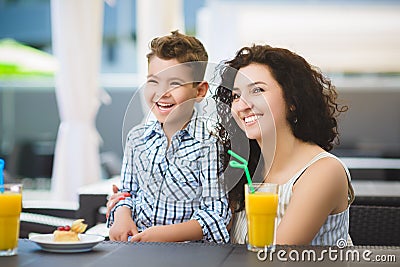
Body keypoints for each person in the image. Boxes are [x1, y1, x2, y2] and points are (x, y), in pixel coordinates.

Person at [213, 44, 355, 245]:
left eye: (257, 90)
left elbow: (277, 258)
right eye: (236, 96)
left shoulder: (323, 172)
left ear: (292, 100)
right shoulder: (247, 167)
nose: (243, 105)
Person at [107, 31, 231, 243]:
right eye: (153, 82)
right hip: (135, 248)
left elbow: (216, 214)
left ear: (199, 91)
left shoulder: (211, 143)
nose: (161, 92)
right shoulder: (136, 139)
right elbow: (126, 194)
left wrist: (160, 235)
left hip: (186, 254)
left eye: (174, 83)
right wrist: (121, 215)